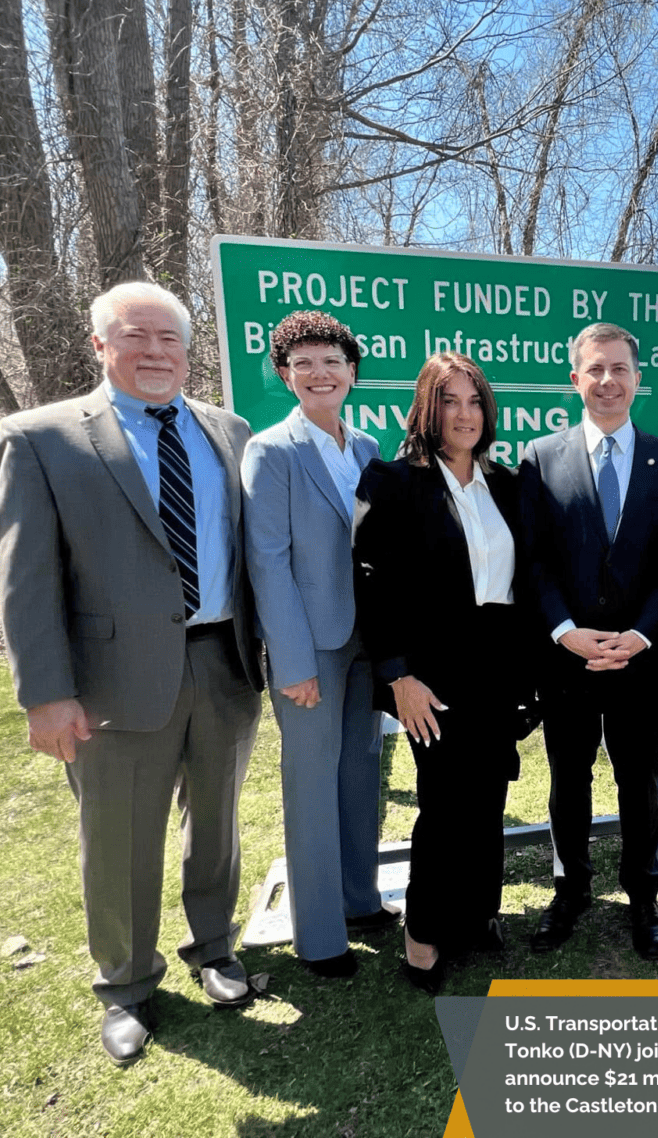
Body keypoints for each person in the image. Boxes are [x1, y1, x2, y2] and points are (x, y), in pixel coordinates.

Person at [0, 282, 263, 1063]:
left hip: (225, 662)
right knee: (119, 839)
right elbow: (26, 578)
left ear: (189, 348)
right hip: (111, 681)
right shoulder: (41, 437)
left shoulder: (230, 430)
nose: (155, 352)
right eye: (135, 337)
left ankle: (213, 948)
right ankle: (126, 984)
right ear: (99, 346)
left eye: (169, 339)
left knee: (215, 822)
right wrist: (45, 694)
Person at [352, 353, 529, 993]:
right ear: (428, 409)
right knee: (444, 806)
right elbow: (373, 584)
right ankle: (423, 935)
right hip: (431, 676)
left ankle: (477, 914)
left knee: (488, 799)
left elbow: (524, 582)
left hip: (497, 669)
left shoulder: (505, 482)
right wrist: (399, 675)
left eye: (475, 400)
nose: (464, 414)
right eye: (449, 401)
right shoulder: (395, 481)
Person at [519, 322, 658, 961]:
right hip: (567, 661)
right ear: (576, 379)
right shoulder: (540, 457)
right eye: (595, 369)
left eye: (619, 368)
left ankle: (644, 896)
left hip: (638, 662)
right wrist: (565, 632)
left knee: (638, 780)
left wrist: (642, 635)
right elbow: (533, 560)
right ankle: (570, 890)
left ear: (637, 379)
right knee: (569, 779)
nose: (607, 381)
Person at [242, 311, 392, 981]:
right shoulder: (272, 451)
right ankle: (320, 937)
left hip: (367, 644)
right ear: (285, 375)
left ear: (351, 370)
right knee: (311, 786)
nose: (318, 373)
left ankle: (361, 900)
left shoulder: (366, 447)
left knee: (363, 776)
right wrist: (294, 664)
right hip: (313, 650)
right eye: (302, 364)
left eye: (330, 360)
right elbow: (267, 562)